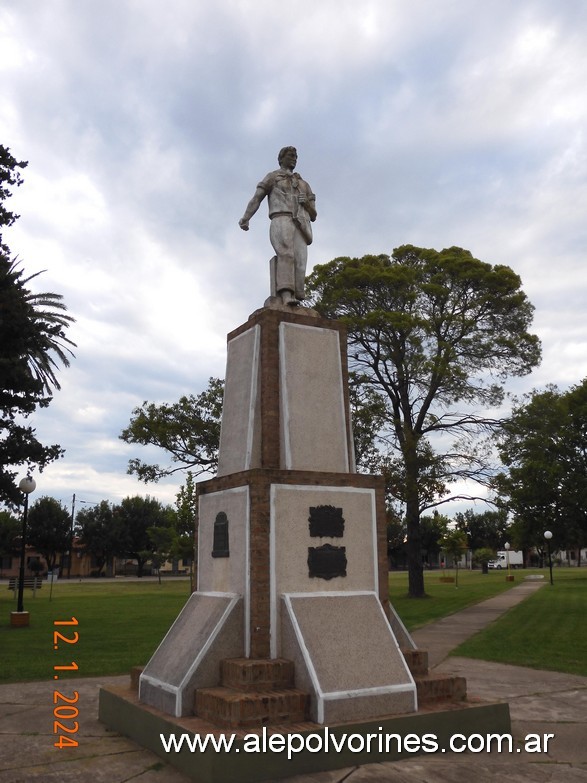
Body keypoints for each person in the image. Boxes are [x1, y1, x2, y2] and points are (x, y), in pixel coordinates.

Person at [239, 147, 317, 305]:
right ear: (281, 159)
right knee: (286, 255)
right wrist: (246, 217)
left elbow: (314, 214)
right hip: (281, 218)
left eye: (296, 156)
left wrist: (306, 204)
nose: (294, 158)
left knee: (300, 261)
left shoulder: (304, 184)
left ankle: (297, 295)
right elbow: (257, 198)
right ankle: (286, 294)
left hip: (301, 224)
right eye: (290, 156)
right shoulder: (273, 177)